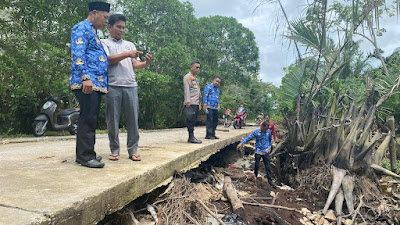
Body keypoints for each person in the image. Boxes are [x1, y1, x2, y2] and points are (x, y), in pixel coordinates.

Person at [101, 14, 153, 162]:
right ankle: (115, 150)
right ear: (110, 27)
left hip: (130, 85)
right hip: (113, 86)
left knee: (133, 120)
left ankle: (133, 150)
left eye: (123, 27)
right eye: (118, 27)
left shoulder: (130, 45)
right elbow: (108, 60)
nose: (121, 30)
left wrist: (145, 63)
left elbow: (135, 64)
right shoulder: (104, 43)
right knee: (112, 120)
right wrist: (126, 54)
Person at [69, 1, 110, 168]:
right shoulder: (82, 28)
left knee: (91, 118)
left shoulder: (94, 32)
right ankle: (85, 157)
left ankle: (87, 153)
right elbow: (78, 54)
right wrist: (85, 77)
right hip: (87, 82)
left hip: (95, 84)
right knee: (87, 118)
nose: (106, 21)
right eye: (105, 17)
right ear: (94, 13)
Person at [236, 121, 277, 189]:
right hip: (258, 151)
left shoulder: (268, 132)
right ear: (262, 127)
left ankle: (270, 181)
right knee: (257, 165)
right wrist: (241, 143)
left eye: (267, 129)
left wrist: (269, 146)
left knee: (268, 167)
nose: (266, 130)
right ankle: (255, 176)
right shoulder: (256, 132)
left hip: (265, 151)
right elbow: (248, 138)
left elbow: (270, 140)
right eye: (265, 128)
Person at [183, 61, 202, 144]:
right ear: (191, 67)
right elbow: (186, 90)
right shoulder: (188, 77)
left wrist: (199, 103)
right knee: (190, 121)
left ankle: (192, 136)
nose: (198, 69)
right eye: (196, 67)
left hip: (196, 103)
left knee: (194, 121)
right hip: (191, 103)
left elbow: (197, 92)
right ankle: (191, 137)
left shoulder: (195, 78)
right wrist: (187, 102)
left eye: (199, 68)